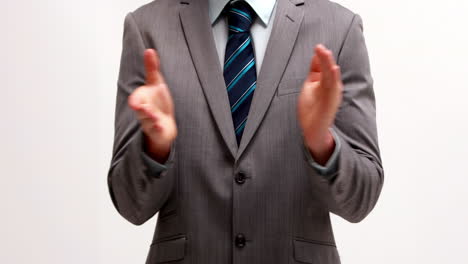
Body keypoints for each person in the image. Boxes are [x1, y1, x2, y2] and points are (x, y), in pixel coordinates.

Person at [107, 0, 384, 263]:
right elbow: (131, 204)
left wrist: (322, 142)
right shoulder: (147, 27)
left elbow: (360, 200)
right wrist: (155, 147)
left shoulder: (339, 28)